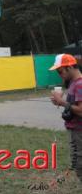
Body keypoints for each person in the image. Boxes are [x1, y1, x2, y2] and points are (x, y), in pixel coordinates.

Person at [49, 54, 82, 182]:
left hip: (79, 132)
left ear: (69, 67)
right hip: (75, 131)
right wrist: (60, 102)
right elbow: (73, 106)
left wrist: (62, 102)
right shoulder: (73, 83)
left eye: (60, 71)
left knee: (80, 165)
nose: (59, 74)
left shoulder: (79, 84)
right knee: (77, 164)